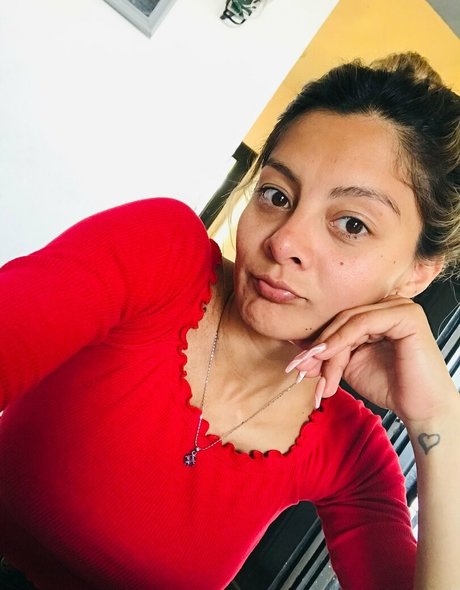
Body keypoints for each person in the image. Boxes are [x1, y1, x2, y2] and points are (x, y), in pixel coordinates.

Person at [0, 52, 459, 590]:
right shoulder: (158, 254)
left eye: (351, 224)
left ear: (417, 274)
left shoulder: (349, 452)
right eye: (276, 195)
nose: (283, 241)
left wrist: (440, 421)